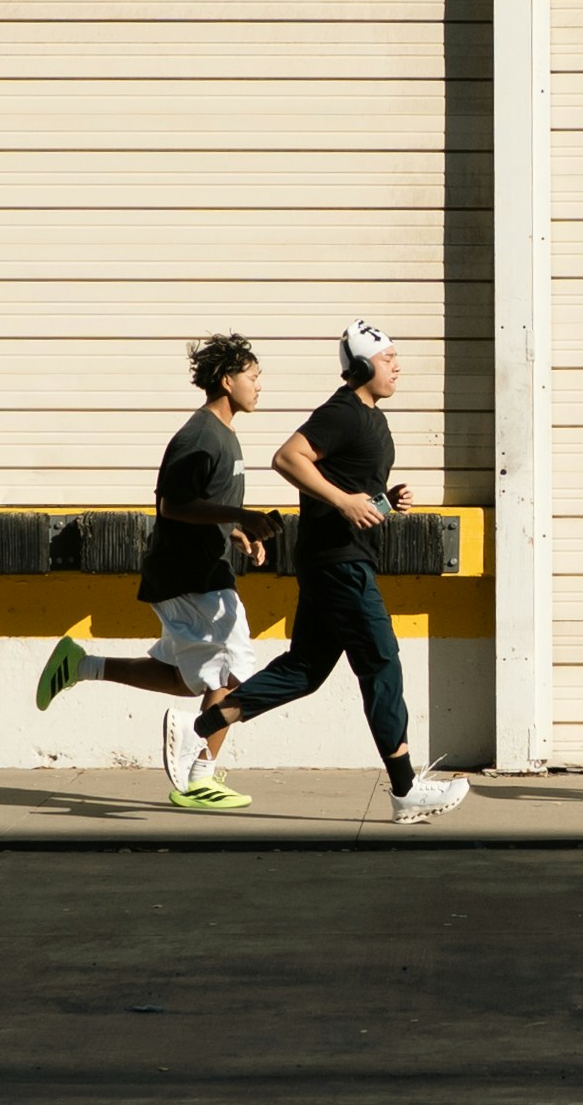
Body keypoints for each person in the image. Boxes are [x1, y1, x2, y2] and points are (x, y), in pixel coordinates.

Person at [190, 321, 472, 824]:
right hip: (340, 563)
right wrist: (343, 502)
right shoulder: (343, 412)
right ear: (362, 366)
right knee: (382, 660)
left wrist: (386, 500)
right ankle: (405, 789)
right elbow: (287, 457)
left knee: (305, 669)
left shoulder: (371, 421)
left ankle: (211, 718)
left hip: (335, 559)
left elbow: (350, 489)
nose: (397, 366)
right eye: (388, 359)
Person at [34, 334, 276, 810]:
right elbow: (173, 505)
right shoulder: (201, 435)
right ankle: (201, 773)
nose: (259, 386)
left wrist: (235, 532)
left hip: (195, 570)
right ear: (227, 381)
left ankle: (79, 665)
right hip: (193, 575)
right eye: (253, 376)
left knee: (190, 676)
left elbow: (202, 508)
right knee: (229, 671)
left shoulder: (222, 434)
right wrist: (244, 517)